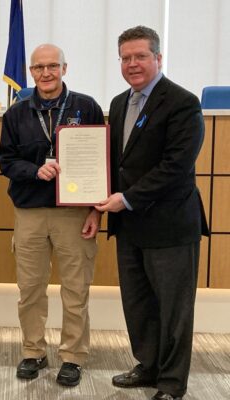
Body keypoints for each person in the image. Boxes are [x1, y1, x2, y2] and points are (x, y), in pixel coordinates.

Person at [96, 26, 208, 400]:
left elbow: (175, 166)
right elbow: (115, 164)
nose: (132, 64)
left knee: (174, 310)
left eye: (140, 56)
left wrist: (125, 199)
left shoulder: (182, 102)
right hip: (129, 226)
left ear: (158, 58)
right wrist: (94, 197)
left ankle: (172, 384)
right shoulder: (116, 103)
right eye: (125, 58)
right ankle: (148, 365)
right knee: (138, 302)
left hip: (170, 224)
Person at [0, 44, 104, 387]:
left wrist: (95, 211)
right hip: (30, 211)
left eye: (52, 66)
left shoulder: (85, 107)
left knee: (75, 289)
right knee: (30, 288)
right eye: (39, 67)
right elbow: (5, 161)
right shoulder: (16, 113)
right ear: (30, 72)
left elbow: (100, 163)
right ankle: (33, 351)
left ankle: (72, 356)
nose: (46, 73)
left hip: (73, 213)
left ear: (64, 67)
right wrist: (33, 170)